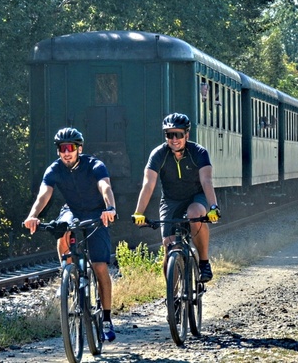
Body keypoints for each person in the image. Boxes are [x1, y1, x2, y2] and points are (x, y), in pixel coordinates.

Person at [23, 127, 118, 341]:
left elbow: (105, 187)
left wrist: (110, 208)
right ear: (58, 151)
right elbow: (44, 194)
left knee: (100, 266)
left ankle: (106, 318)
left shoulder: (94, 165)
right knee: (61, 227)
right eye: (62, 148)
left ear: (79, 149)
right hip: (72, 211)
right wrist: (33, 215)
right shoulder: (55, 169)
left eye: (71, 148)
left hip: (96, 213)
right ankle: (68, 274)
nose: (66, 152)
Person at [132, 113, 221, 282]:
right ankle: (173, 298)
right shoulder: (159, 154)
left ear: (187, 134)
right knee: (169, 245)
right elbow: (148, 184)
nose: (174, 139)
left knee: (195, 215)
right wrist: (139, 212)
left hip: (196, 196)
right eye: (169, 135)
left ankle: (204, 263)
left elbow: (206, 181)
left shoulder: (199, 152)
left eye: (178, 134)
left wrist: (213, 207)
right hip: (171, 200)